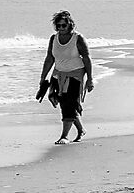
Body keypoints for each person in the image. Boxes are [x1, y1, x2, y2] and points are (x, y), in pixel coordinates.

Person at [36, 10, 95, 143]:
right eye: (58, 25)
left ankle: (64, 136)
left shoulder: (77, 38)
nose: (61, 28)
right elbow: (50, 58)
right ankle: (81, 130)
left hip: (75, 75)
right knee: (64, 104)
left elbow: (86, 58)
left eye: (64, 25)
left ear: (70, 25)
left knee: (69, 104)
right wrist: (43, 77)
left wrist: (90, 79)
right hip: (58, 75)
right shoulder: (53, 39)